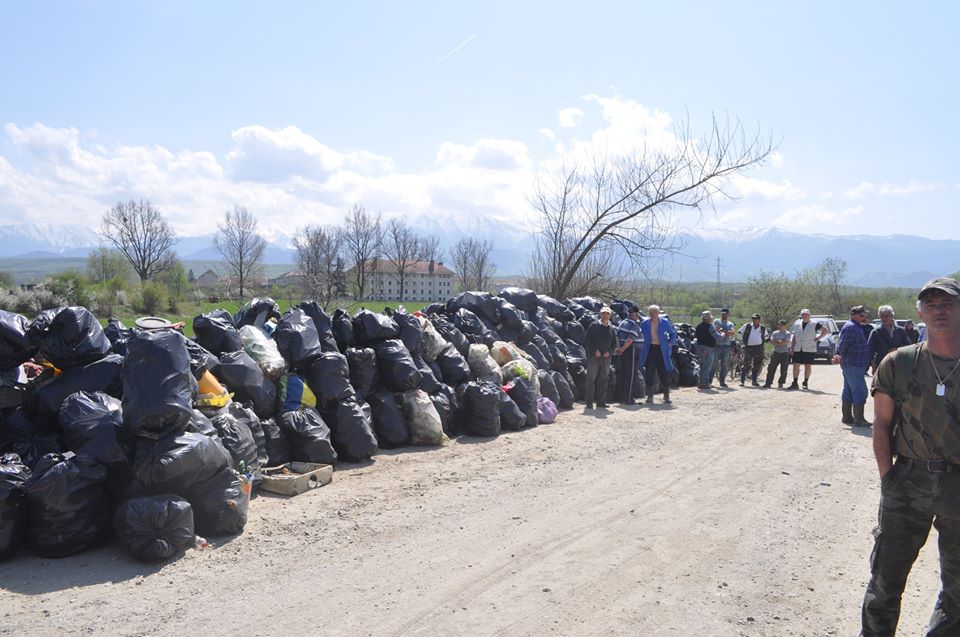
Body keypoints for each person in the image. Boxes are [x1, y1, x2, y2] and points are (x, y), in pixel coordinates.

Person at [861, 277, 960, 635]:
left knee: (958, 594)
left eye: (947, 302)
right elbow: (882, 426)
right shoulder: (899, 363)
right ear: (920, 312)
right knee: (885, 583)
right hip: (908, 481)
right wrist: (889, 479)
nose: (939, 310)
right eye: (930, 304)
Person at [833, 305, 871, 426]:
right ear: (853, 315)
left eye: (865, 315)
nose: (864, 317)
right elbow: (843, 344)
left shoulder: (856, 327)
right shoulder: (851, 327)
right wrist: (838, 355)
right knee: (860, 391)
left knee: (849, 390)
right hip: (853, 363)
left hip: (853, 364)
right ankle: (859, 419)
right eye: (861, 315)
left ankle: (847, 417)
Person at [638, 305, 678, 405]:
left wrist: (670, 342)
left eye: (654, 312)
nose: (652, 314)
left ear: (658, 313)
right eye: (650, 312)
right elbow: (640, 334)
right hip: (650, 348)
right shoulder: (645, 323)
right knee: (650, 371)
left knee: (664, 371)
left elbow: (673, 334)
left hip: (662, 349)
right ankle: (650, 396)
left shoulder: (664, 322)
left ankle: (666, 395)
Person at [584, 306, 617, 410]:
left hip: (606, 359)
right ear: (600, 314)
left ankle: (601, 402)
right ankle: (589, 403)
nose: (605, 315)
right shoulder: (594, 326)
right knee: (591, 380)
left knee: (603, 380)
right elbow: (586, 340)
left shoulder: (611, 328)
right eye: (603, 313)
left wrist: (609, 352)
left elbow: (614, 344)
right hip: (594, 357)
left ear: (610, 316)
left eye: (607, 314)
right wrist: (595, 350)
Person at [788, 309, 830, 390]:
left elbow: (825, 330)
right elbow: (795, 336)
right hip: (798, 347)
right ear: (801, 315)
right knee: (796, 365)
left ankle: (805, 382)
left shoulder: (814, 324)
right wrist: (792, 347)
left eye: (806, 314)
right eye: (803, 314)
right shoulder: (797, 323)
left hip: (809, 348)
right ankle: (795, 382)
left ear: (809, 315)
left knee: (807, 366)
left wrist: (818, 338)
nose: (804, 316)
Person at [868, 305, 910, 375]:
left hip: (898, 364)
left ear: (891, 316)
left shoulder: (900, 330)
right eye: (882, 316)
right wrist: (874, 366)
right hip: (882, 364)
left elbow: (908, 346)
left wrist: (897, 349)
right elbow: (870, 351)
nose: (884, 318)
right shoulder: (875, 332)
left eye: (887, 316)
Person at [614, 308, 642, 404]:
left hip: (624, 350)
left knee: (625, 373)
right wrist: (622, 349)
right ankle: (628, 398)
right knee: (631, 374)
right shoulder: (634, 324)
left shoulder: (623, 322)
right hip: (631, 350)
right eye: (637, 314)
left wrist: (619, 348)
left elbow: (617, 336)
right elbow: (630, 339)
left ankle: (623, 397)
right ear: (635, 314)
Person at [738, 313, 767, 387]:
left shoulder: (763, 328)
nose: (754, 320)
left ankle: (754, 381)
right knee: (746, 364)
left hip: (759, 348)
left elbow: (766, 337)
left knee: (757, 365)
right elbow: (739, 332)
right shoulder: (747, 326)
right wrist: (743, 340)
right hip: (748, 348)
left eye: (756, 319)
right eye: (753, 319)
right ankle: (742, 381)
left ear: (759, 320)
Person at [764, 320, 793, 388]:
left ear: (785, 326)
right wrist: (780, 341)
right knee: (771, 368)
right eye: (779, 325)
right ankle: (768, 382)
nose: (779, 326)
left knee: (784, 369)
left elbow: (785, 342)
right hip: (776, 352)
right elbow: (772, 341)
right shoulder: (775, 333)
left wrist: (778, 341)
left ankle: (781, 383)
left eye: (781, 325)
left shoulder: (788, 333)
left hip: (785, 353)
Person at [711, 308, 735, 388]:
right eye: (722, 314)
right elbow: (716, 330)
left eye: (725, 314)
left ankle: (722, 381)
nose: (723, 315)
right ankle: (709, 381)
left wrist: (723, 331)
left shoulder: (730, 323)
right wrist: (725, 332)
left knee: (724, 365)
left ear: (728, 314)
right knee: (713, 364)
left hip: (726, 346)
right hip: (717, 346)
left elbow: (731, 332)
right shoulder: (716, 321)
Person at [694, 310, 718, 389]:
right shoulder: (709, 326)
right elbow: (716, 336)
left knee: (703, 366)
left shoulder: (699, 326)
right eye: (710, 318)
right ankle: (704, 383)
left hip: (700, 348)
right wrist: (724, 334)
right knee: (707, 367)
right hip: (707, 348)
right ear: (707, 318)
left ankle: (702, 382)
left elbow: (696, 337)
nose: (711, 319)